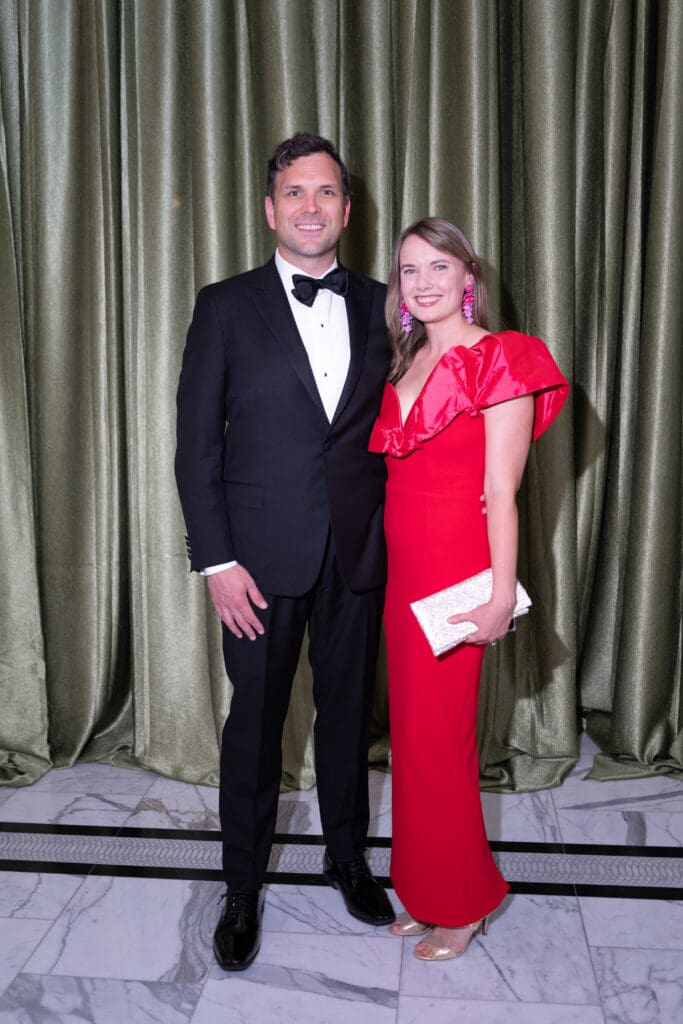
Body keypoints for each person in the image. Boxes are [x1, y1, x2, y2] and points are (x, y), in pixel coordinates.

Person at [175, 132, 395, 972]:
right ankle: (240, 889)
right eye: (295, 192)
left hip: (358, 555)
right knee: (254, 730)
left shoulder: (387, 305)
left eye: (326, 192)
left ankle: (347, 860)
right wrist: (216, 562)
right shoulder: (225, 305)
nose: (311, 206)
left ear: (347, 208)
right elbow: (196, 446)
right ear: (270, 209)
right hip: (257, 564)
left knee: (347, 721)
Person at [369, 218, 569, 960]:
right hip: (402, 576)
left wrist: (498, 595)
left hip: (456, 576)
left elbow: (502, 491)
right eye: (409, 270)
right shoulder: (406, 359)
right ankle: (424, 889)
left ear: (467, 278)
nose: (423, 282)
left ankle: (463, 903)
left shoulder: (501, 359)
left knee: (443, 744)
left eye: (438, 267)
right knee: (413, 742)